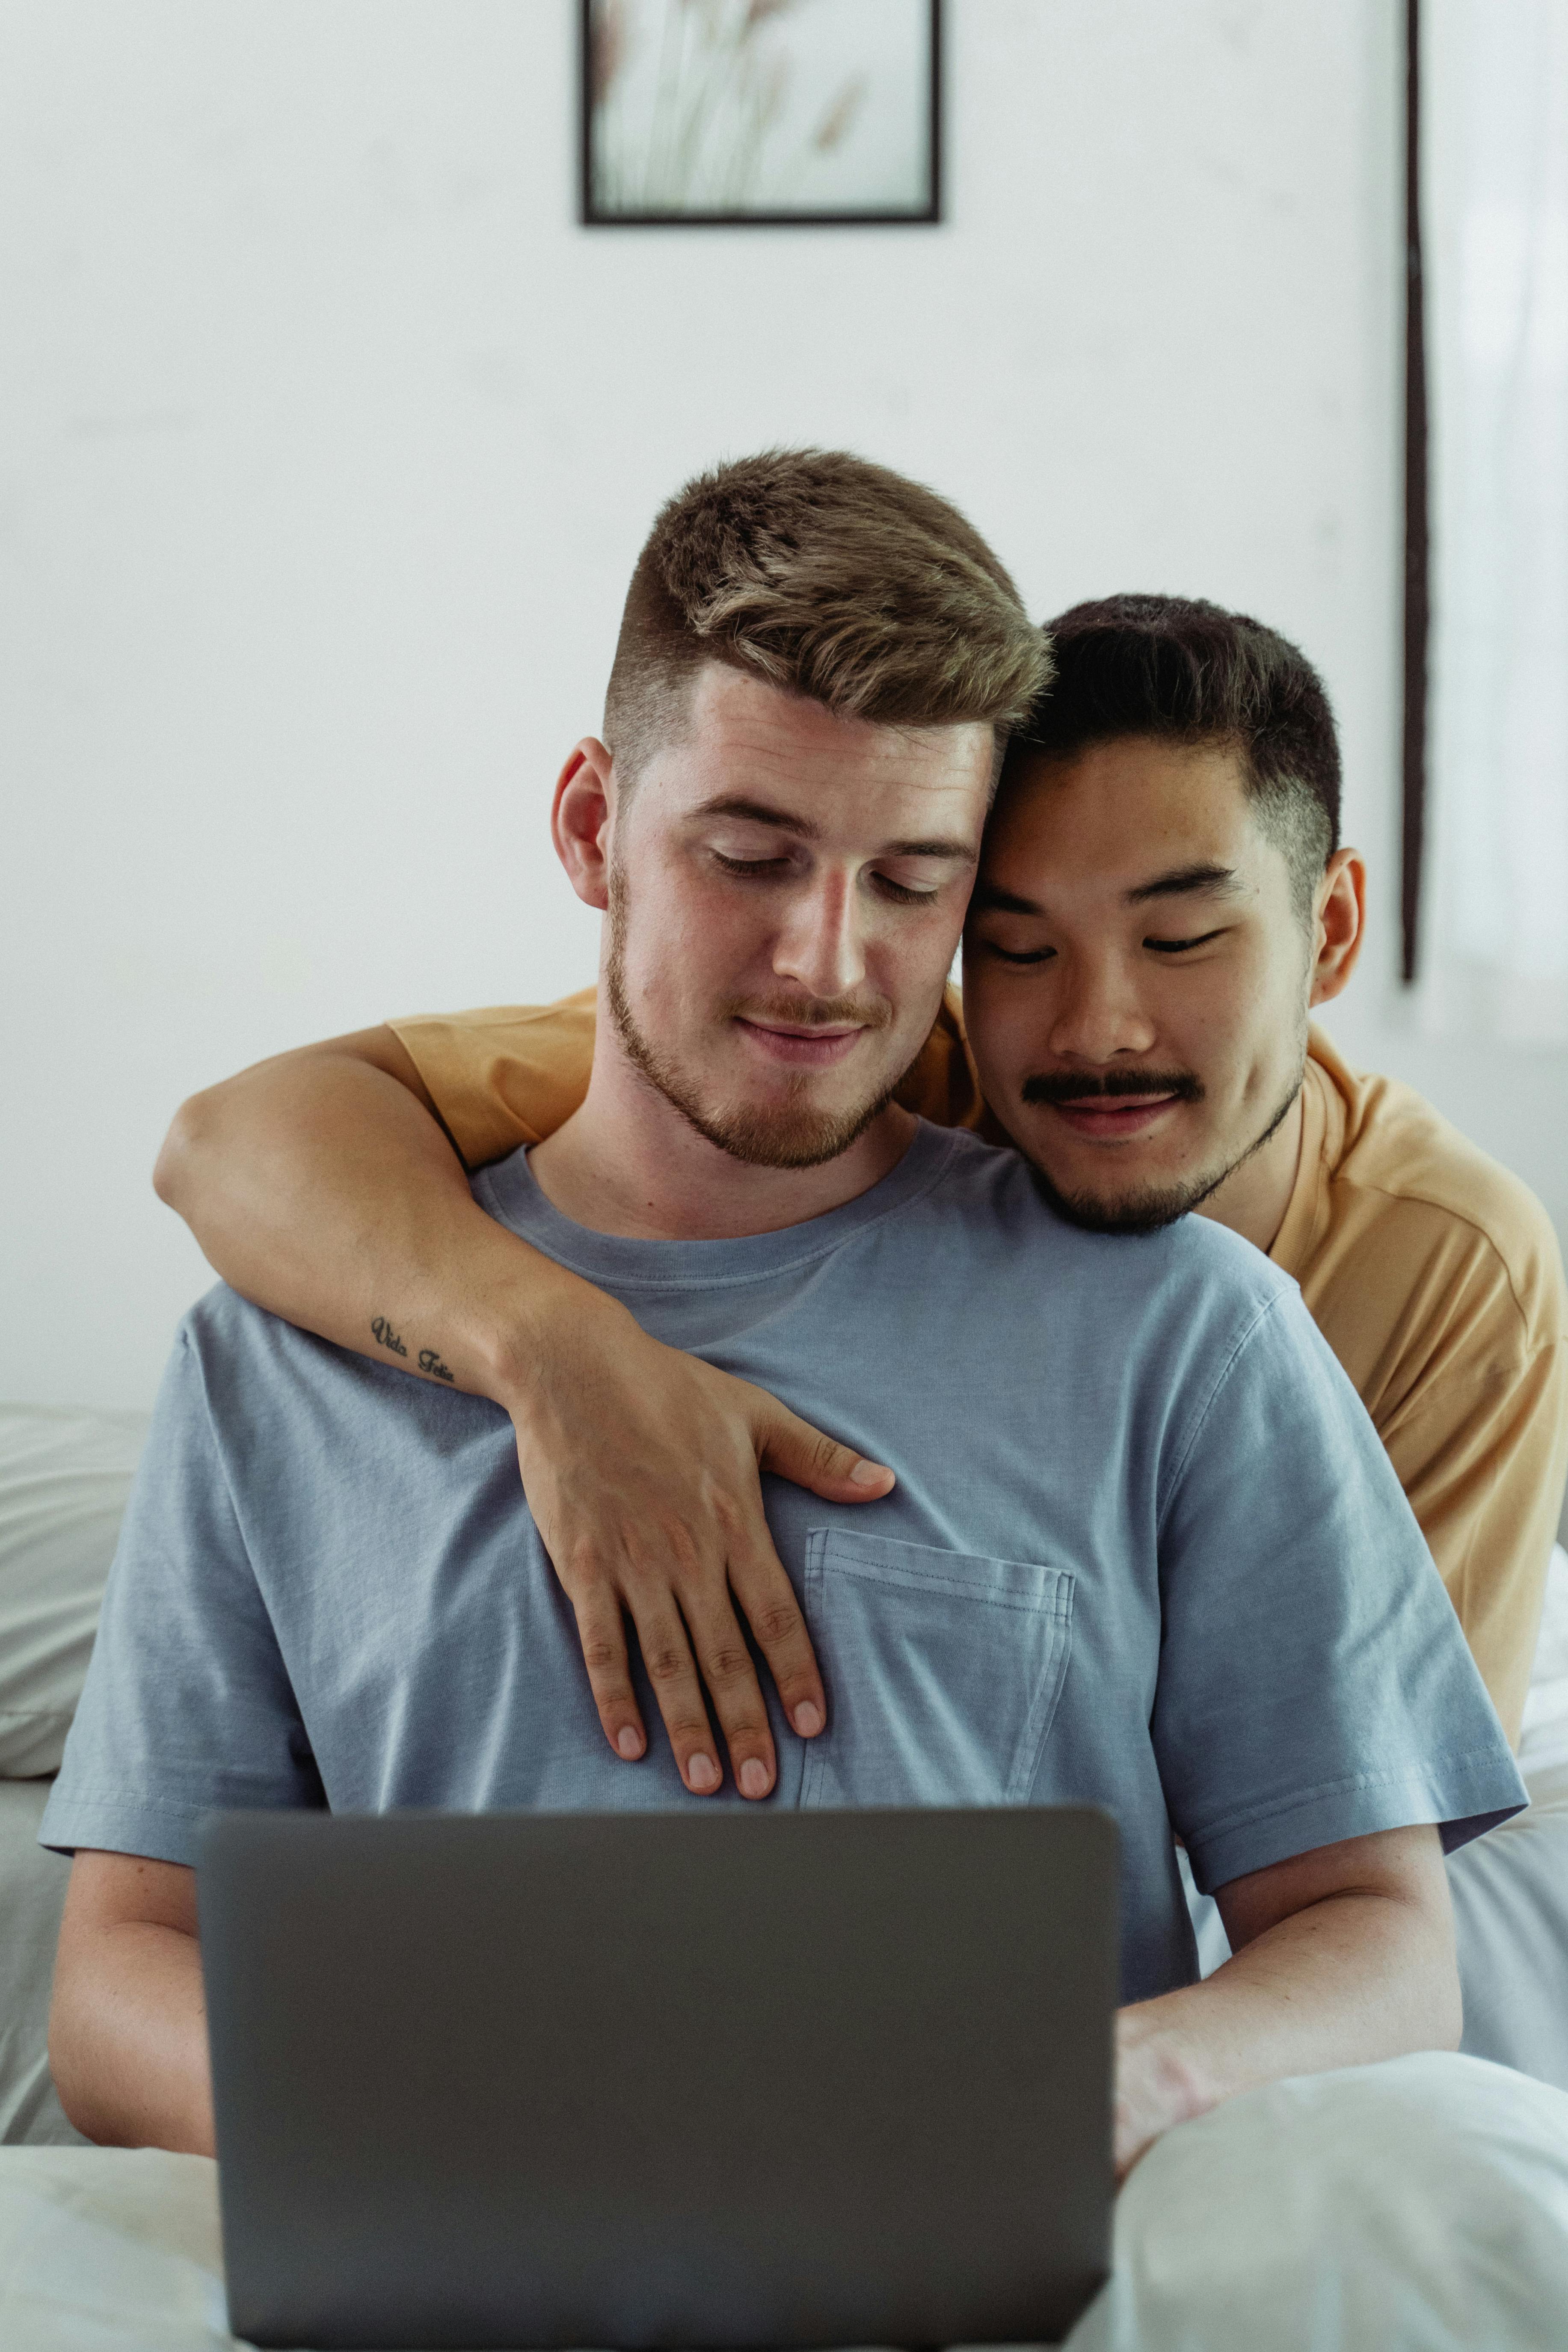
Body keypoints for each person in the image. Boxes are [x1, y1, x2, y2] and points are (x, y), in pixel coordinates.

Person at [45, 452, 1521, 2181]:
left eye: (913, 884)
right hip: (449, 2251)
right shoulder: (268, 1361)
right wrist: (443, 2146)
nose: (826, 964)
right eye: (750, 856)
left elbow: (1381, 1939)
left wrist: (1117, 2087)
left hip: (992, 2254)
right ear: (593, 827)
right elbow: (115, 1986)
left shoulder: (1189, 1329)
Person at [156, 597, 1568, 1785]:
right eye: (1012, 947)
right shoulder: (851, 1075)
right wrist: (561, 1357)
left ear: (1326, 930)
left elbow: (1364, 1810)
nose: (1098, 1028)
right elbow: (233, 1140)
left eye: (1184, 936)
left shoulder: (1444, 1267)